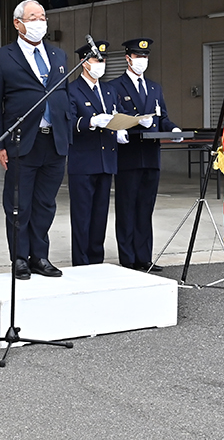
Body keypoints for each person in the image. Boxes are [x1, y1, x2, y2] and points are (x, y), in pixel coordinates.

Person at [0, 0, 74, 280]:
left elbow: (66, 97)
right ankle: (20, 258)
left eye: (43, 17)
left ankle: (40, 256)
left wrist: (67, 127)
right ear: (18, 23)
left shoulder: (58, 56)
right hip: (21, 141)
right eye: (33, 17)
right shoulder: (1, 59)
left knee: (46, 204)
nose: (40, 22)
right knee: (18, 204)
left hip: (54, 141)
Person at [110, 38, 183, 272]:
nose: (142, 60)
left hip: (151, 156)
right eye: (138, 56)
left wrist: (173, 129)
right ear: (127, 58)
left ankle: (144, 257)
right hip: (129, 155)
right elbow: (112, 117)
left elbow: (163, 117)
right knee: (127, 207)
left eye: (145, 56)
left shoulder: (154, 88)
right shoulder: (115, 86)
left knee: (145, 208)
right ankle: (128, 258)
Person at [67, 40, 127, 266]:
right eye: (96, 60)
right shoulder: (72, 89)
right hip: (83, 160)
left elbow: (116, 114)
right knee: (82, 216)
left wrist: (121, 129)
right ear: (84, 63)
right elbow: (68, 123)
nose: (101, 64)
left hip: (106, 159)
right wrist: (90, 121)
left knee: (100, 214)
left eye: (103, 60)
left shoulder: (109, 90)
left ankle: (96, 260)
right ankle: (81, 263)